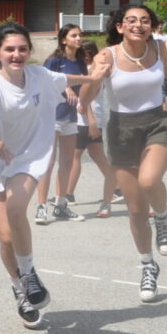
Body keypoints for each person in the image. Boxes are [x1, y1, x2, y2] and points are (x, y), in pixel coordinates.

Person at [0, 24, 103, 329]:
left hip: (27, 158)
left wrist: (94, 77)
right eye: (9, 49)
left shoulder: (40, 76)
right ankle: (20, 290)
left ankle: (28, 274)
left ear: (29, 51)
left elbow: (67, 78)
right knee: (5, 237)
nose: (17, 55)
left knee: (16, 209)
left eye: (22, 49)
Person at [81, 5, 167, 301]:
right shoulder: (107, 56)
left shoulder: (157, 47)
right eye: (131, 20)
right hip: (121, 130)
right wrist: (95, 78)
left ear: (151, 27)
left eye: (145, 20)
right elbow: (85, 98)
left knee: (149, 179)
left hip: (157, 122)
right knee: (135, 210)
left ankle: (164, 218)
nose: (138, 25)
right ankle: (147, 265)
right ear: (120, 27)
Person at [35, 25, 88, 224]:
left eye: (80, 35)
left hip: (70, 117)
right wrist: (66, 87)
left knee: (67, 162)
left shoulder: (81, 62)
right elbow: (43, 80)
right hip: (52, 116)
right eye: (74, 35)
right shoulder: (54, 60)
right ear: (64, 39)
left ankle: (61, 205)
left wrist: (86, 105)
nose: (78, 38)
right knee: (48, 163)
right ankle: (41, 207)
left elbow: (85, 84)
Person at [75, 39, 120, 219]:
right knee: (97, 156)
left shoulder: (93, 72)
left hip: (89, 118)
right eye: (83, 53)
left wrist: (92, 121)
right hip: (92, 118)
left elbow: (87, 100)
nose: (86, 56)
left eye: (89, 53)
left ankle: (66, 195)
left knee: (75, 156)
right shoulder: (90, 71)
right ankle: (116, 190)